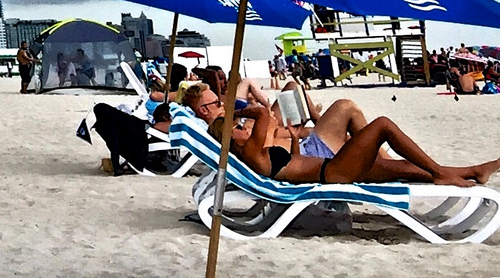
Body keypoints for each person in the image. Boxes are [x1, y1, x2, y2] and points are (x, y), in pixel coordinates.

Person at [186, 85, 500, 186]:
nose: (243, 129)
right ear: (231, 139)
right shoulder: (250, 152)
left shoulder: (254, 153)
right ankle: (444, 173)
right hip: (332, 170)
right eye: (238, 130)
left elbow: (290, 162)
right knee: (383, 125)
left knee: (406, 171)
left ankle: (475, 171)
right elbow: (263, 113)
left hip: (329, 167)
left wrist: (295, 138)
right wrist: (237, 114)